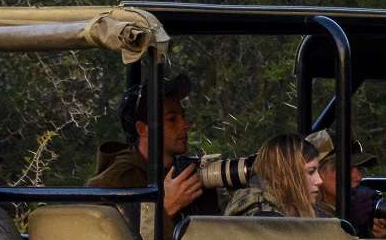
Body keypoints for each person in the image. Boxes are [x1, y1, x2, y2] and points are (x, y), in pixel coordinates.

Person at [83, 74, 207, 220]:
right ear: (143, 129)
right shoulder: (115, 182)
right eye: (172, 119)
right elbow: (99, 235)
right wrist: (166, 207)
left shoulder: (182, 171)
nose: (185, 125)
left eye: (183, 116)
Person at [222, 134, 325, 218]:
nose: (319, 180)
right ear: (284, 174)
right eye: (311, 172)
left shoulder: (299, 210)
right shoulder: (260, 214)